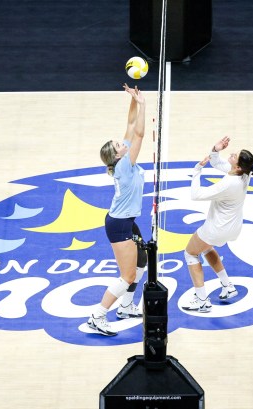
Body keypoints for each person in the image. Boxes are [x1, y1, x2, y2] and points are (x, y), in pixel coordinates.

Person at [87, 84, 147, 337]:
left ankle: (126, 307)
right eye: (117, 144)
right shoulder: (124, 165)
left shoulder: (120, 158)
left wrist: (132, 101)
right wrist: (144, 104)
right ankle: (97, 316)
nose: (121, 142)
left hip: (126, 220)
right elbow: (140, 134)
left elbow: (131, 126)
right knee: (127, 275)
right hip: (119, 225)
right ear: (116, 155)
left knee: (142, 262)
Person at [181, 136, 253, 313]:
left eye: (234, 156)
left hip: (216, 229)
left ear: (238, 166)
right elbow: (218, 164)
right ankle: (228, 285)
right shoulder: (244, 174)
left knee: (190, 253)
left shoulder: (228, 183)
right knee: (207, 248)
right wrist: (215, 150)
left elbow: (196, 195)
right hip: (233, 228)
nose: (231, 154)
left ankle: (202, 301)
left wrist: (197, 170)